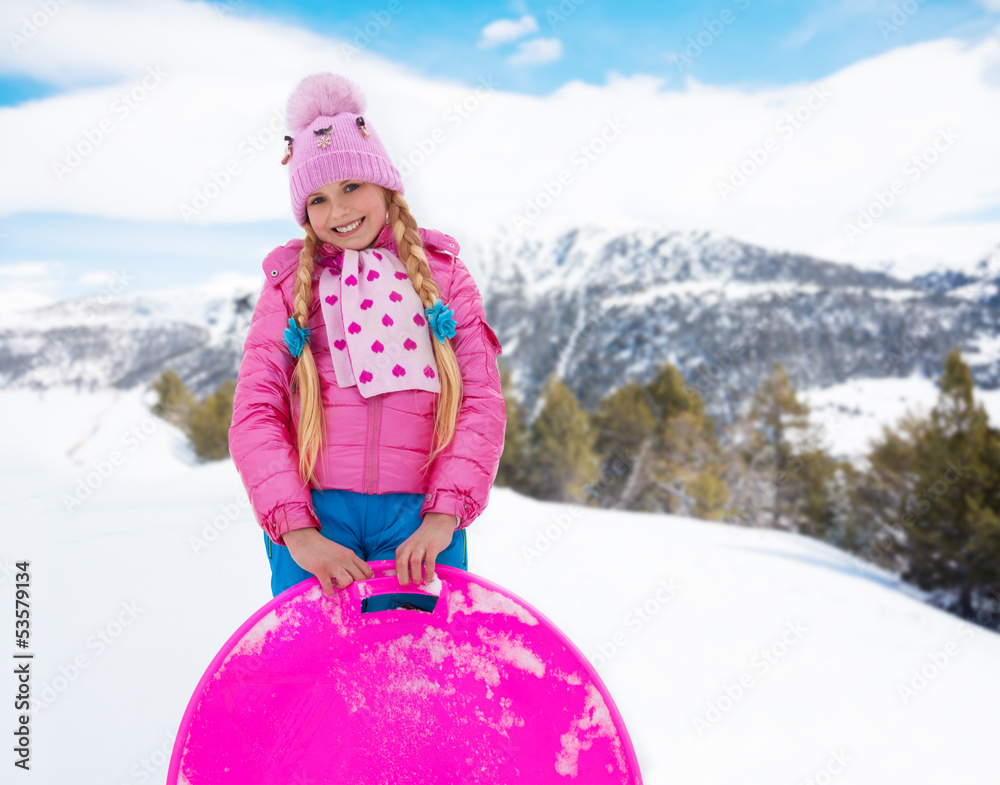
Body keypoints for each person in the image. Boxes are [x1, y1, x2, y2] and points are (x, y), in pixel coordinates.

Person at [229, 72, 506, 600]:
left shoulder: (443, 276)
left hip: (420, 523)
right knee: (317, 671)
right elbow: (255, 411)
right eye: (318, 199)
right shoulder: (289, 286)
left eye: (351, 186)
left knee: (418, 667)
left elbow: (480, 400)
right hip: (317, 520)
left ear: (383, 183)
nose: (339, 212)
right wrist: (298, 532)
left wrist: (444, 517)